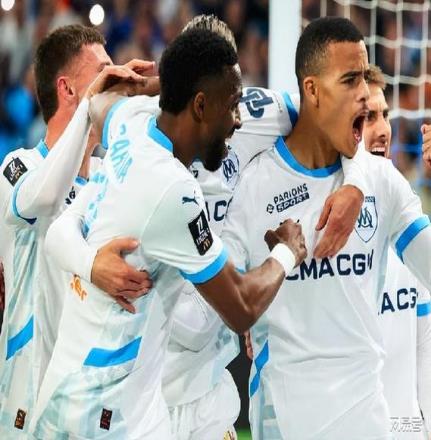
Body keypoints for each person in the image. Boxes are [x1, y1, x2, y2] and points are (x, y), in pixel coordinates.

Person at [42, 14, 371, 440]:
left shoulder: (134, 121)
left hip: (192, 384)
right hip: (121, 392)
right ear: (200, 100)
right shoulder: (173, 187)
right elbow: (241, 306)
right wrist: (288, 250)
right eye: (230, 103)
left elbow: (331, 113)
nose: (238, 118)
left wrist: (357, 183)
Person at [221, 17, 431, 439]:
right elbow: (221, 304)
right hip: (284, 425)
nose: (363, 94)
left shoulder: (381, 181)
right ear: (312, 90)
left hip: (366, 422)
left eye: (364, 78)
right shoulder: (253, 187)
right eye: (350, 80)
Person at [0, 24, 151, 437]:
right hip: (28, 398)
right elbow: (47, 198)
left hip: (91, 404)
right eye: (103, 72)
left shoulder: (109, 178)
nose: (114, 80)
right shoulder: (18, 168)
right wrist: (89, 109)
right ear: (67, 90)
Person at [364, 65, 431, 440]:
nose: (383, 129)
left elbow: (425, 336)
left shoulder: (405, 215)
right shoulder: (320, 223)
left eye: (385, 115)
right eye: (368, 117)